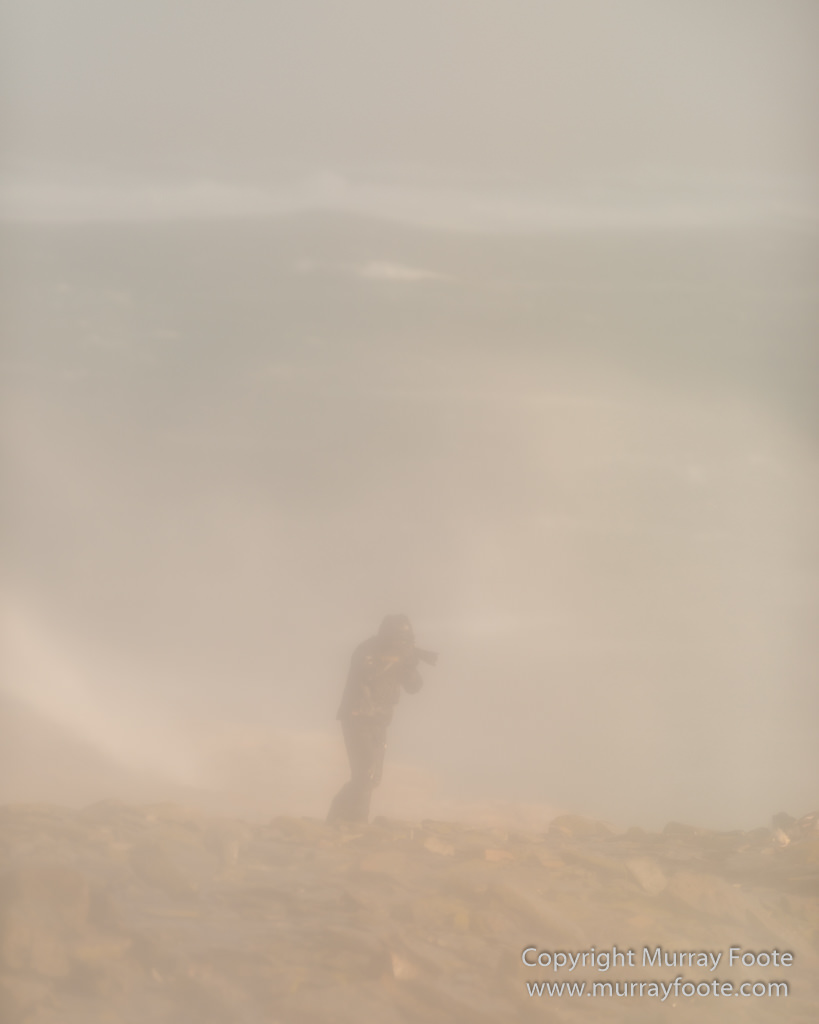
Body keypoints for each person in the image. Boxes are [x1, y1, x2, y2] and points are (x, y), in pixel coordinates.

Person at [326, 614, 437, 824]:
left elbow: (414, 687)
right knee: (365, 773)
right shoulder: (367, 650)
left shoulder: (400, 656)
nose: (403, 644)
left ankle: (340, 816)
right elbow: (369, 673)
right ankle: (356, 821)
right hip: (357, 717)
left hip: (380, 721)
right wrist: (399, 659)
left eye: (406, 640)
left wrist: (409, 666)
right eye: (400, 639)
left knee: (373, 778)